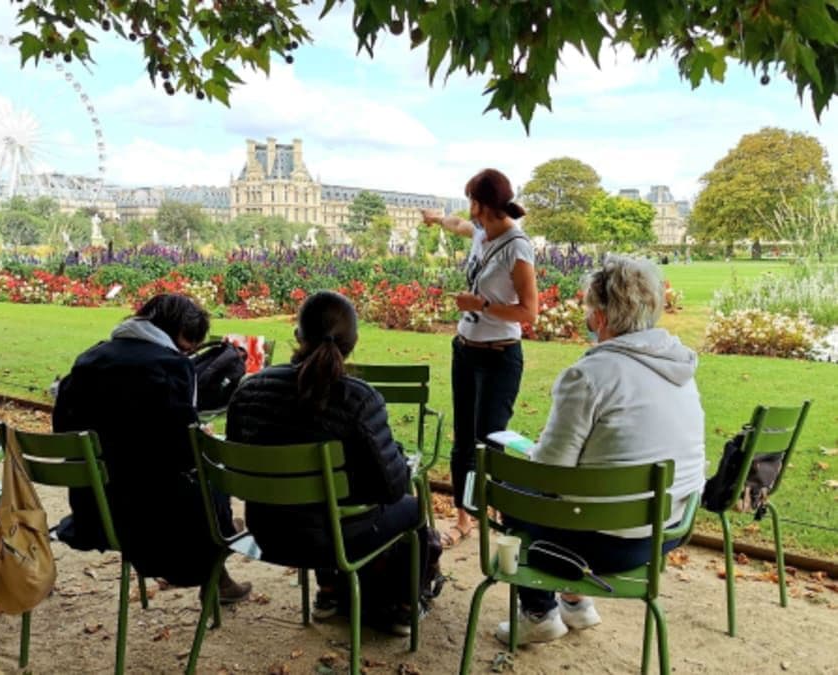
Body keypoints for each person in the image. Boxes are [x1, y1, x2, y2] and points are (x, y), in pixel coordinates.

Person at [497, 255, 705, 644]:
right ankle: (576, 603)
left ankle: (539, 612)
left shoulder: (590, 375)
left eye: (590, 309)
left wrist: (530, 455)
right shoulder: (679, 368)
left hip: (610, 544)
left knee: (516, 494)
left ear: (602, 317)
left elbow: (549, 470)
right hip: (668, 530)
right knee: (562, 497)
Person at [226, 291, 430, 635]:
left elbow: (236, 464)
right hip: (333, 541)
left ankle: (330, 594)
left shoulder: (248, 392)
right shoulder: (359, 399)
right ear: (353, 342)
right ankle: (403, 608)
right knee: (413, 508)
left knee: (320, 507)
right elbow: (393, 487)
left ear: (297, 336)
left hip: (268, 532)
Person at [53, 293, 251, 602]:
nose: (187, 353)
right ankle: (221, 536)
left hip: (94, 512)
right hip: (154, 523)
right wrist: (200, 435)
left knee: (191, 487)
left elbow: (63, 431)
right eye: (188, 346)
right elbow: (184, 453)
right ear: (177, 333)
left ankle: (222, 538)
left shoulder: (88, 359)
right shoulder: (170, 367)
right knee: (210, 479)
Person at [421, 168, 537, 548]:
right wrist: (438, 219)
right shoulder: (480, 233)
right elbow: (458, 225)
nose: (467, 210)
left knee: (492, 441)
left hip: (500, 357)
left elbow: (529, 312)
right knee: (463, 443)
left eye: (471, 201)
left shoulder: (518, 248)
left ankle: (505, 520)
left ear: (483, 205)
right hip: (465, 351)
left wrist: (482, 304)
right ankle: (463, 518)